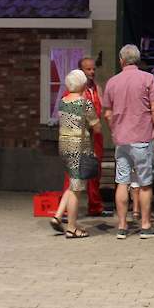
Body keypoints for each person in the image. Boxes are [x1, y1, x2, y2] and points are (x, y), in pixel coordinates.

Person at [103, 44, 154, 239]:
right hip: (142, 137)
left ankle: (122, 226)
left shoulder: (112, 82)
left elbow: (107, 113)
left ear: (121, 60)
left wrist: (115, 130)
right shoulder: (148, 79)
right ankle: (145, 225)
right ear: (137, 60)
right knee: (145, 183)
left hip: (122, 140)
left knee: (122, 181)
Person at [51, 69, 101, 239]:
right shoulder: (84, 103)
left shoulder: (63, 101)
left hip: (64, 146)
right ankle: (72, 228)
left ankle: (59, 216)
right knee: (76, 189)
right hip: (78, 148)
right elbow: (97, 126)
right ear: (82, 84)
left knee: (72, 183)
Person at [60, 57, 107, 217]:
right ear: (81, 71)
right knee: (72, 176)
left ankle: (95, 205)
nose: (92, 72)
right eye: (88, 69)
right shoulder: (71, 93)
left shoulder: (96, 89)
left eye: (93, 69)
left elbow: (100, 111)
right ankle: (66, 210)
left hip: (95, 138)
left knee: (95, 172)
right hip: (79, 138)